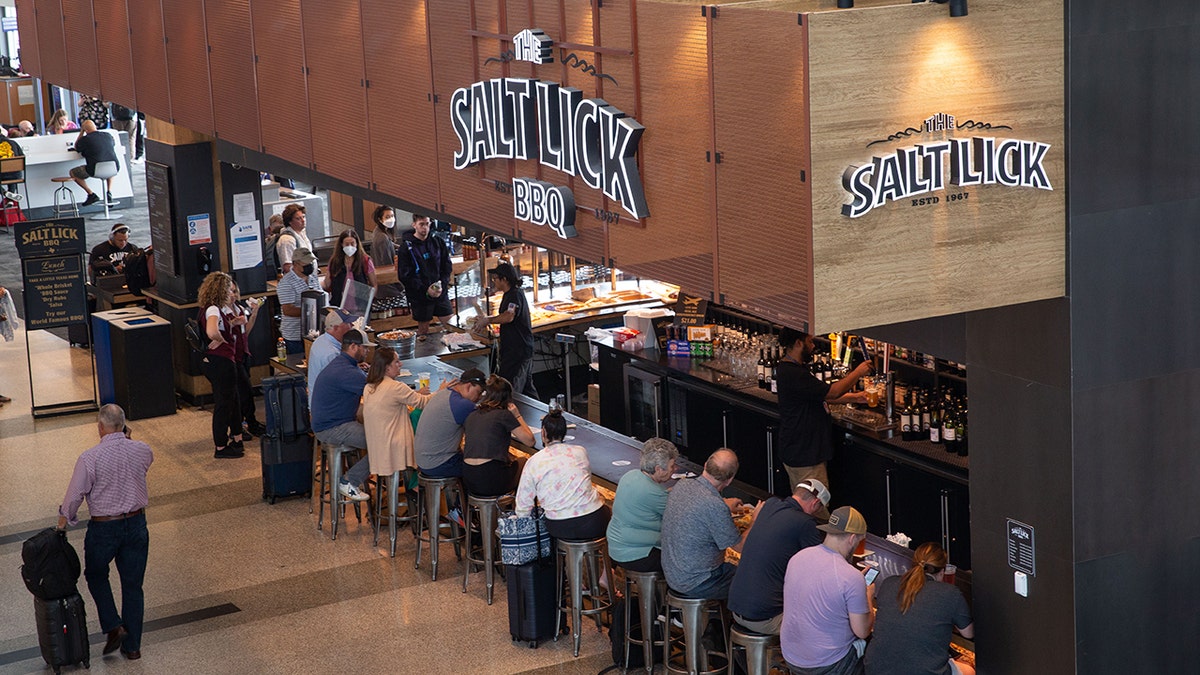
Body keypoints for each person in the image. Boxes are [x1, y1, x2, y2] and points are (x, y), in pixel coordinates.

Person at [56, 404, 153, 660]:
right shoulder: (142, 450)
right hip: (136, 524)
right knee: (133, 586)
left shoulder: (90, 458)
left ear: (100, 427)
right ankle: (133, 648)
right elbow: (142, 464)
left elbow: (75, 495)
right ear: (124, 424)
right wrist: (127, 438)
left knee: (97, 574)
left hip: (104, 528)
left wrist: (64, 521)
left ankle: (113, 625)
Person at [776, 327, 872, 515]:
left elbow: (819, 395)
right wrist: (858, 372)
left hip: (801, 450)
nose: (813, 346)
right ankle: (819, 543)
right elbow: (832, 392)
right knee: (815, 511)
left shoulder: (791, 368)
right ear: (798, 343)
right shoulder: (793, 373)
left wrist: (854, 397)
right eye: (810, 342)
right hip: (805, 453)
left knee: (809, 509)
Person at [728, 478, 831, 635]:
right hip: (765, 618)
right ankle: (779, 659)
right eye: (818, 509)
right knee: (822, 622)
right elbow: (820, 568)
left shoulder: (770, 505)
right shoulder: (805, 522)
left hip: (736, 610)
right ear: (815, 503)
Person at [781, 505, 875, 675]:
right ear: (852, 538)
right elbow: (862, 631)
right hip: (827, 665)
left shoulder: (798, 557)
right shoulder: (850, 576)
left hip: (791, 657)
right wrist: (867, 594)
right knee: (873, 650)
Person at [660, 448, 762, 600]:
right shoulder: (714, 505)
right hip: (699, 582)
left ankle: (702, 620)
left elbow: (699, 509)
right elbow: (740, 547)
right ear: (730, 479)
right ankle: (736, 622)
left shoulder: (683, 485)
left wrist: (724, 506)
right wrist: (756, 520)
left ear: (705, 465)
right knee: (758, 579)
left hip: (673, 574)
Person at [863, 543, 975, 675]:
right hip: (925, 671)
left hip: (875, 669)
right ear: (942, 572)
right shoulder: (950, 593)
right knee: (969, 670)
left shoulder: (889, 583)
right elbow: (969, 633)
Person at [515, 409, 610, 540]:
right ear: (564, 433)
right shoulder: (580, 452)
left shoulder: (534, 462)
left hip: (560, 526)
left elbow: (523, 506)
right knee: (605, 503)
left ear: (543, 433)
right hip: (595, 521)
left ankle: (563, 559)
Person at [310, 329, 375, 501]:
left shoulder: (343, 365)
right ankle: (349, 481)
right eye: (365, 348)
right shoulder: (348, 372)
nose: (367, 352)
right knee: (382, 443)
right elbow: (377, 393)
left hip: (328, 422)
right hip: (332, 427)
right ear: (353, 347)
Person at [606, 437, 679, 572]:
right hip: (638, 555)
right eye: (672, 466)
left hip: (616, 547)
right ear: (659, 469)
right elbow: (680, 515)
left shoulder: (630, 475)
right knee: (681, 561)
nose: (676, 468)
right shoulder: (655, 493)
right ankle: (664, 593)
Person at [363, 346, 433, 483]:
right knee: (429, 440)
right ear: (387, 367)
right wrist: (443, 391)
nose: (400, 364)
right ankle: (418, 485)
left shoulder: (369, 387)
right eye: (396, 362)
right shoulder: (396, 387)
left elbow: (391, 401)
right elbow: (423, 402)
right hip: (395, 446)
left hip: (377, 446)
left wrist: (415, 394)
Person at [198, 271, 247, 459]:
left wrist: (232, 323)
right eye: (229, 289)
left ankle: (236, 436)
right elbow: (212, 331)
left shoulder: (208, 308)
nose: (231, 293)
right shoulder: (213, 309)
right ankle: (220, 446)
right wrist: (221, 340)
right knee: (224, 403)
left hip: (218, 361)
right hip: (221, 361)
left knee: (232, 399)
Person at [461, 375, 535, 498]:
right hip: (491, 480)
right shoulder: (504, 415)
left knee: (510, 459)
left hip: (469, 478)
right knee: (524, 462)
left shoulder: (472, 415)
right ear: (508, 398)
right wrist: (517, 415)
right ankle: (518, 512)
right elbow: (530, 441)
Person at [476, 262, 538, 398]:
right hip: (515, 349)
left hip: (518, 351)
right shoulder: (509, 294)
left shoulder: (514, 295)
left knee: (512, 388)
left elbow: (509, 316)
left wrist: (488, 320)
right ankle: (540, 415)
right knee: (527, 388)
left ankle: (512, 414)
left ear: (504, 279)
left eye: (495, 278)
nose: (494, 281)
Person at [414, 368, 487, 478]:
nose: (478, 398)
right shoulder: (463, 405)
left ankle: (459, 494)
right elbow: (482, 430)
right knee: (484, 469)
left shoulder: (443, 393)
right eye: (479, 392)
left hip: (423, 461)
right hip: (439, 463)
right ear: (468, 386)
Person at [396, 213, 453, 338]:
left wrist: (442, 285)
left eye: (427, 224)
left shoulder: (438, 242)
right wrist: (424, 289)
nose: (425, 228)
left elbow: (447, 267)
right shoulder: (406, 247)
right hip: (420, 296)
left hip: (440, 292)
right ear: (414, 225)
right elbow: (405, 275)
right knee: (423, 331)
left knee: (452, 325)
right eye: (421, 224)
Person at [230, 281, 266, 438]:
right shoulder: (220, 311)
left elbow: (246, 333)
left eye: (234, 290)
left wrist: (255, 314)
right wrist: (232, 323)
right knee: (241, 392)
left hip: (244, 354)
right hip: (232, 357)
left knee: (245, 391)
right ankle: (244, 425)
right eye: (230, 291)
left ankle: (248, 423)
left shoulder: (238, 308)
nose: (233, 294)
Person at [275, 247, 322, 354]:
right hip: (294, 336)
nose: (309, 265)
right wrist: (312, 312)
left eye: (311, 262)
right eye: (306, 263)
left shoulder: (313, 278)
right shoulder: (286, 283)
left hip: (313, 333)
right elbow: (288, 310)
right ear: (295, 264)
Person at [307, 308, 359, 404]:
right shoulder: (332, 354)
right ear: (336, 328)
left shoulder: (320, 340)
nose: (352, 326)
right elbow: (347, 382)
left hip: (318, 401)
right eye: (348, 323)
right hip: (328, 407)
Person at [322, 228, 377, 311]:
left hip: (360, 308)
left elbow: (374, 285)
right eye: (347, 244)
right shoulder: (334, 262)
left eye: (352, 243)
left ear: (357, 244)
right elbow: (327, 283)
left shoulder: (365, 261)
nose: (350, 247)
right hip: (339, 307)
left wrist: (368, 302)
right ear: (341, 244)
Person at [70, 120, 119, 207]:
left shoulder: (85, 139)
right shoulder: (107, 136)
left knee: (73, 172)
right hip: (114, 167)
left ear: (86, 130)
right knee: (108, 165)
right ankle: (109, 192)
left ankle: (91, 194)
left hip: (95, 170)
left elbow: (77, 147)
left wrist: (81, 132)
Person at [369, 205, 405, 299]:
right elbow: (387, 263)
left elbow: (390, 244)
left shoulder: (378, 231)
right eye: (387, 217)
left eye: (392, 216)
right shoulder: (382, 237)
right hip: (386, 285)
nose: (391, 219)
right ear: (380, 219)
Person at [274, 203, 312, 275]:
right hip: (297, 282)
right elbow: (288, 266)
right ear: (290, 222)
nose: (303, 220)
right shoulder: (287, 240)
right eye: (298, 218)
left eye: (303, 217)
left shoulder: (301, 233)